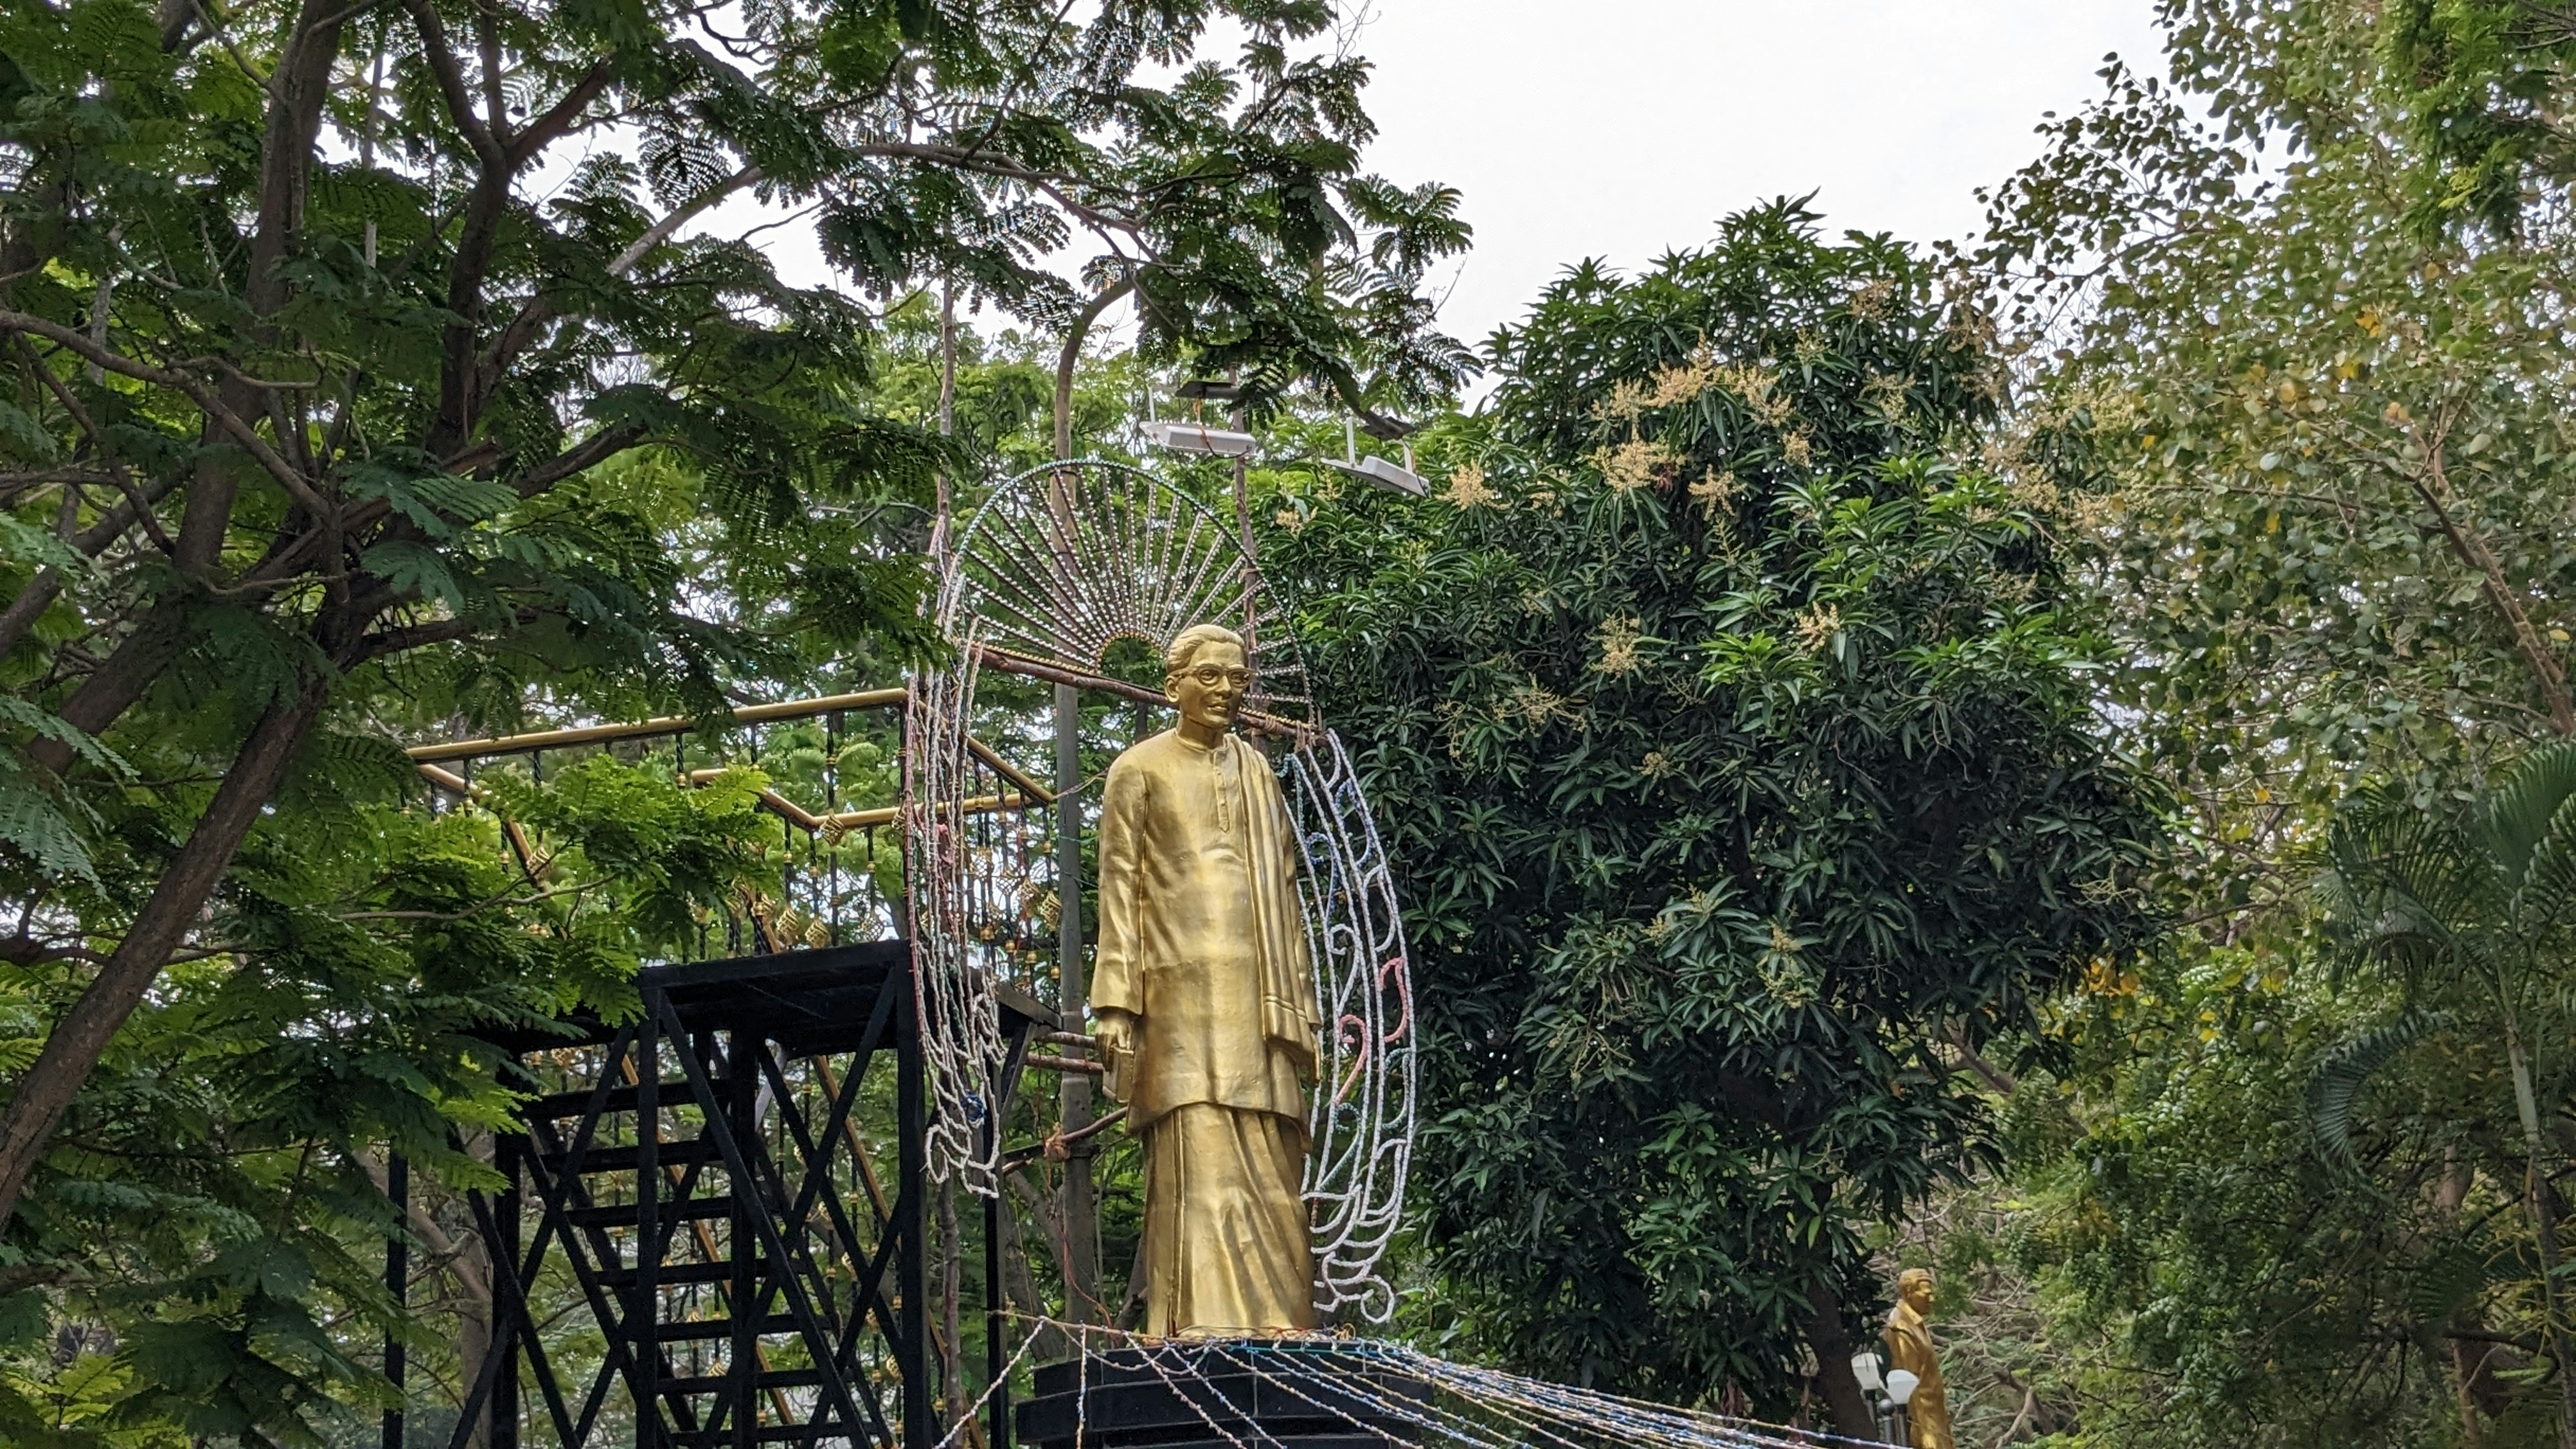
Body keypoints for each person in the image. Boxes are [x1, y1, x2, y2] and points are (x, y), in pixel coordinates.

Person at [1090, 622, 1320, 1337]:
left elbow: (1285, 888)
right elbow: (1118, 892)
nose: (1226, 691)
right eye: (1211, 677)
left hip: (1260, 991)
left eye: (1238, 680)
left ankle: (1279, 1316)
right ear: (1174, 686)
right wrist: (1116, 1005)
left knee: (1270, 1148)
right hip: (1177, 995)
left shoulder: (1257, 772)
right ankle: (1195, 1320)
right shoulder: (1139, 770)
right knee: (1199, 1139)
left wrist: (1301, 998)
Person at [1883, 1267, 1955, 1449]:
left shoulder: (1915, 1322)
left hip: (1934, 1413)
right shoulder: (1901, 1327)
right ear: (1909, 1293)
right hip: (1922, 1418)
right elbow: (1908, 1381)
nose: (1932, 1299)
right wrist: (1925, 1431)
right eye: (1926, 1295)